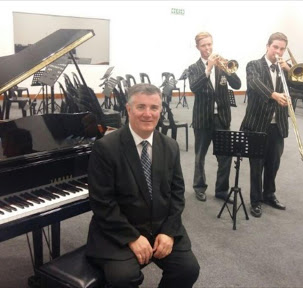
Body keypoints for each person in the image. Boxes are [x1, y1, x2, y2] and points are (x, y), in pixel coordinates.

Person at [86, 83, 200, 288]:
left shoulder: (170, 146)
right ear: (128, 109)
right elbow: (102, 203)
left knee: (188, 269)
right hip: (119, 230)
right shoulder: (106, 148)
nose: (148, 114)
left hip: (161, 226)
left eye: (154, 107)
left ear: (160, 110)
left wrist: (168, 231)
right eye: (141, 107)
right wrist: (131, 237)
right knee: (123, 277)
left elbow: (177, 193)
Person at [240, 32, 291, 218]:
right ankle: (255, 200)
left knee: (273, 163)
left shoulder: (284, 68)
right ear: (268, 46)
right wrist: (273, 95)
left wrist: (289, 71)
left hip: (278, 125)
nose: (278, 51)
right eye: (275, 47)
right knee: (256, 165)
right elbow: (254, 83)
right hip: (257, 124)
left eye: (282, 48)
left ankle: (269, 194)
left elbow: (300, 86)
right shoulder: (254, 65)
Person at [188, 31, 241, 204]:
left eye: (210, 44)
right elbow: (194, 88)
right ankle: (199, 187)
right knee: (200, 156)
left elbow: (237, 84)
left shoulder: (222, 65)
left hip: (222, 118)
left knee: (225, 156)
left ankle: (221, 190)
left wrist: (226, 68)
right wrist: (208, 68)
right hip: (203, 119)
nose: (208, 48)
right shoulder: (194, 68)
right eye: (204, 45)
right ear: (198, 47)